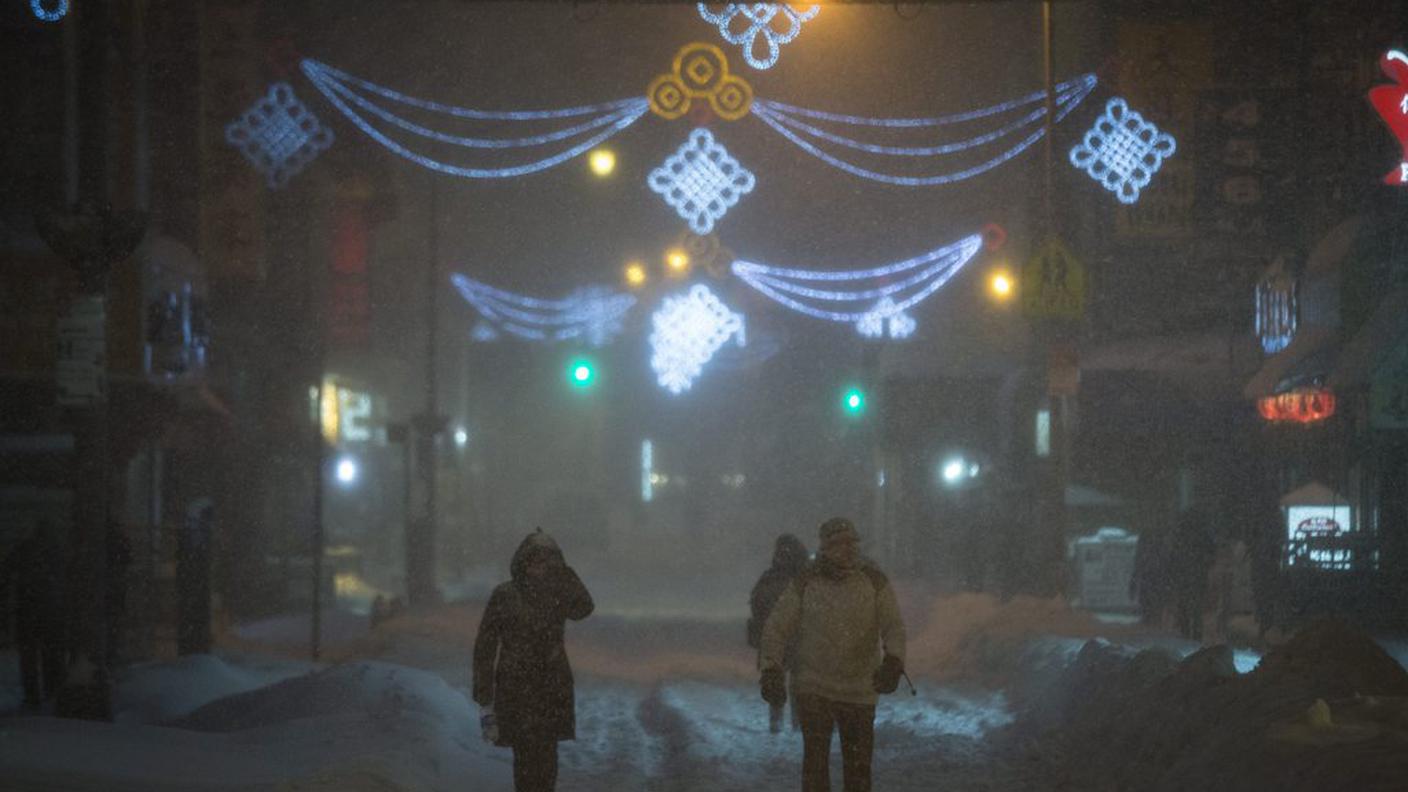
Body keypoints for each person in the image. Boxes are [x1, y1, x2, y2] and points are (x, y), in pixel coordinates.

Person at [759, 518, 907, 792]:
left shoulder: (874, 581)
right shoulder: (806, 582)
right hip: (815, 689)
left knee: (858, 771)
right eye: (839, 544)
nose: (847, 549)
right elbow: (776, 628)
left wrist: (894, 660)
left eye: (852, 543)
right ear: (825, 548)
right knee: (815, 768)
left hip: (860, 690)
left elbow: (893, 625)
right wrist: (770, 668)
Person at [473, 529, 594, 792]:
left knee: (547, 758)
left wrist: (566, 574)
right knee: (525, 758)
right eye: (535, 561)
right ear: (523, 562)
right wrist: (484, 696)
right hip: (516, 689)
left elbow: (584, 608)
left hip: (551, 687)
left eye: (547, 562)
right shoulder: (505, 595)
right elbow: (485, 645)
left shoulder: (557, 592)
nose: (539, 567)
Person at [1, 521, 68, 712]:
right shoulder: (56, 552)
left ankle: (33, 694)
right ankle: (50, 689)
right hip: (50, 608)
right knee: (50, 651)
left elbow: (6, 572)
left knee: (29, 654)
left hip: (28, 607)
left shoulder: (25, 550)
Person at [748, 533, 808, 733]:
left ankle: (776, 724)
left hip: (776, 638)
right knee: (798, 683)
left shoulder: (769, 578)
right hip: (799, 637)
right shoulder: (804, 579)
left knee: (776, 680)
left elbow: (757, 604)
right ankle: (797, 724)